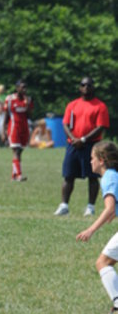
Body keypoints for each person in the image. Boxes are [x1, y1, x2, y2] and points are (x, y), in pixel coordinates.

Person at [54, 77, 110, 217]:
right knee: (68, 175)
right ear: (79, 88)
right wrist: (74, 139)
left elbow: (100, 127)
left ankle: (90, 207)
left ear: (93, 87)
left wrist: (83, 139)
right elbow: (66, 124)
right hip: (73, 144)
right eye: (83, 85)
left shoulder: (100, 106)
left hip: (91, 145)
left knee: (93, 176)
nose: (86, 87)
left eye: (89, 85)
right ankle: (64, 205)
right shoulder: (72, 105)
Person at [76, 141, 118, 314]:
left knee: (103, 262)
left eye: (92, 158)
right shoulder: (114, 175)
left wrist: (90, 230)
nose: (90, 161)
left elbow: (109, 207)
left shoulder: (108, 177)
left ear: (102, 160)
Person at [3, 79, 33, 180]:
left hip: (24, 128)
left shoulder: (28, 99)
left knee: (19, 151)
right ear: (17, 88)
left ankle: (14, 175)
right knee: (15, 150)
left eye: (26, 87)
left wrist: (27, 105)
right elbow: (6, 116)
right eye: (22, 87)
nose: (25, 89)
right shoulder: (10, 99)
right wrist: (3, 131)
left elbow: (29, 116)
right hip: (14, 127)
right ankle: (19, 175)